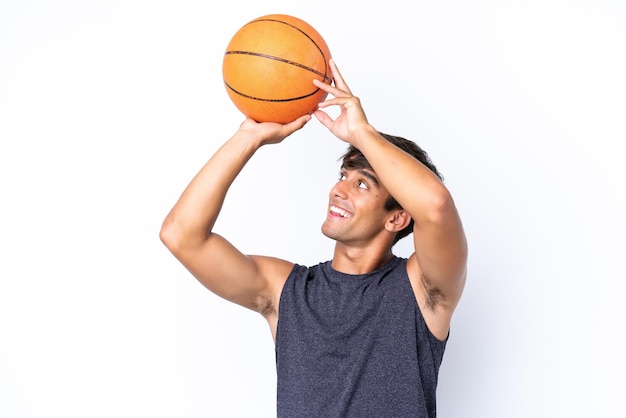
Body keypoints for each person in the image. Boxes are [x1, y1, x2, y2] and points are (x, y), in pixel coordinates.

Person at [160, 59, 467, 417]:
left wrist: (361, 133)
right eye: (343, 175)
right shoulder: (286, 291)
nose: (339, 189)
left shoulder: (423, 289)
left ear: (397, 217)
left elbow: (435, 205)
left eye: (362, 183)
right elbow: (180, 234)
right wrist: (249, 137)